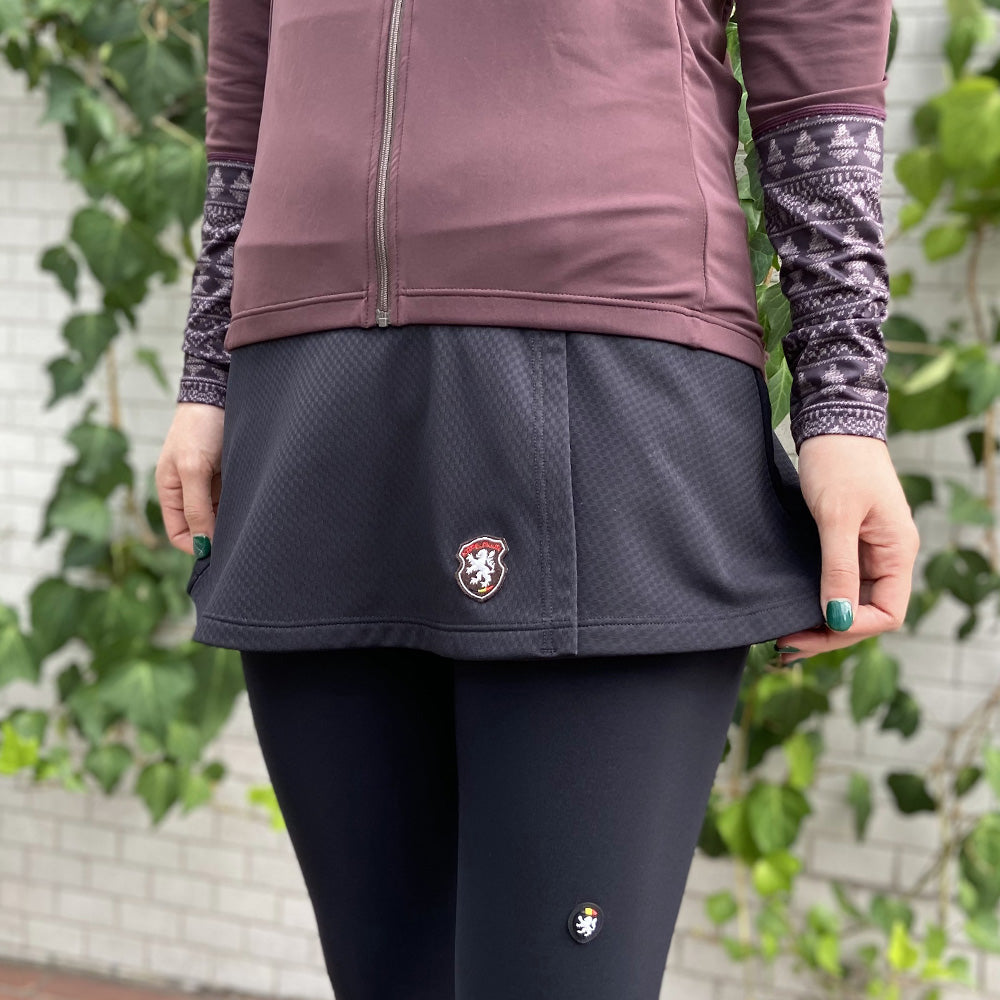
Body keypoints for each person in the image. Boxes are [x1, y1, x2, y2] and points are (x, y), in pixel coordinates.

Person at [155, 0, 920, 996]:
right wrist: (208, 370)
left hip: (613, 380)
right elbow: (245, 72)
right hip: (307, 391)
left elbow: (815, 40)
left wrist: (845, 401)